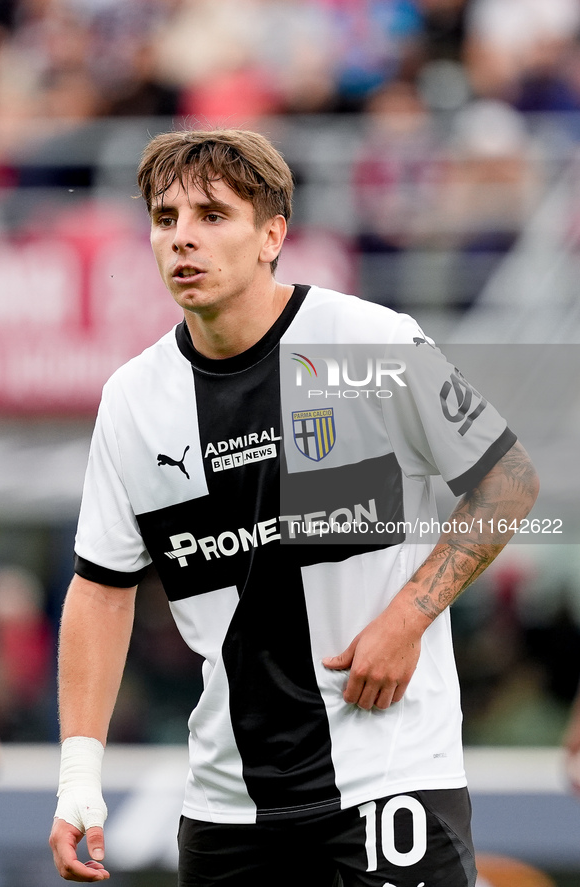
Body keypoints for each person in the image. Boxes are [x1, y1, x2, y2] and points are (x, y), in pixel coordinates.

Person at [48, 128, 539, 886]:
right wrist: (79, 777)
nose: (182, 238)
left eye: (212, 216)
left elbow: (507, 481)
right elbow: (101, 589)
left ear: (272, 234)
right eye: (165, 218)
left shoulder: (369, 342)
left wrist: (408, 616)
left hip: (389, 774)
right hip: (226, 805)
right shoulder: (132, 401)